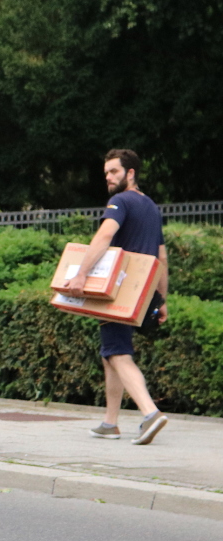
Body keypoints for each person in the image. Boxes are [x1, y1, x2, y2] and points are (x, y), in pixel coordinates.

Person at [63, 149, 169, 445]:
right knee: (111, 352)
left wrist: (81, 274)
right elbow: (161, 255)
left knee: (117, 353)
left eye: (114, 172)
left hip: (118, 290)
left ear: (130, 173)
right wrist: (162, 299)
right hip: (143, 291)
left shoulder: (119, 201)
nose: (108, 178)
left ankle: (150, 413)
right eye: (106, 173)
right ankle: (110, 423)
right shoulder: (150, 206)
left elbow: (104, 235)